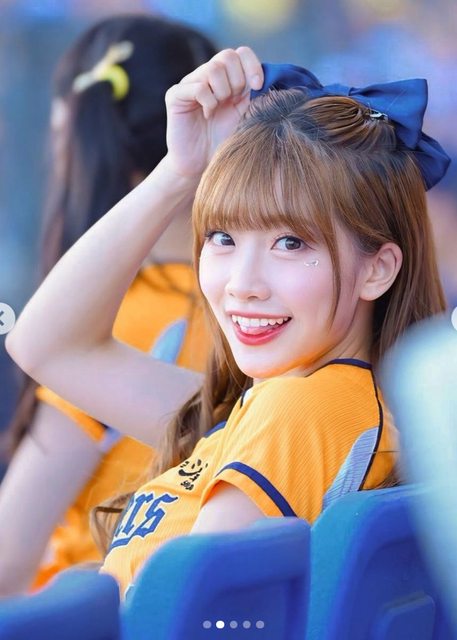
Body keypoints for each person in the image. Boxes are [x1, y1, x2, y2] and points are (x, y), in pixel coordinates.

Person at [5, 46, 450, 598]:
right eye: (223, 237)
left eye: (291, 243)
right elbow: (44, 346)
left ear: (377, 270)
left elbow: (189, 614)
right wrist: (180, 170)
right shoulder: (287, 406)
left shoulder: (303, 411)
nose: (244, 283)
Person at [0, 14, 216, 596]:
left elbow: (8, 559)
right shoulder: (255, 313)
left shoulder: (102, 326)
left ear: (77, 143)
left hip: (80, 611)